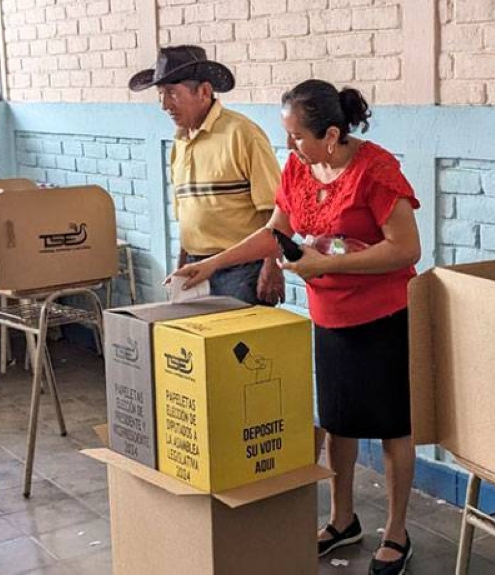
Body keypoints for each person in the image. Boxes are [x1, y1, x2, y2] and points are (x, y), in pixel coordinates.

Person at [174, 79, 421, 575]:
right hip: (330, 315)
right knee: (338, 420)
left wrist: (326, 265)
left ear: (330, 135)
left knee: (393, 426)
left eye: (298, 136)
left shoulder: (375, 170)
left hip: (385, 316)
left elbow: (405, 249)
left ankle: (396, 531)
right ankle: (343, 519)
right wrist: (212, 264)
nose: (290, 145)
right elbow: (276, 233)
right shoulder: (299, 168)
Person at [129, 45, 283, 305]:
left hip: (243, 270)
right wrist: (181, 268)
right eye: (160, 95)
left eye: (172, 93)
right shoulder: (180, 142)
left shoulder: (243, 134)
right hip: (196, 268)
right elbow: (188, 219)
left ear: (204, 91)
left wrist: (272, 266)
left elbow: (276, 211)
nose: (164, 105)